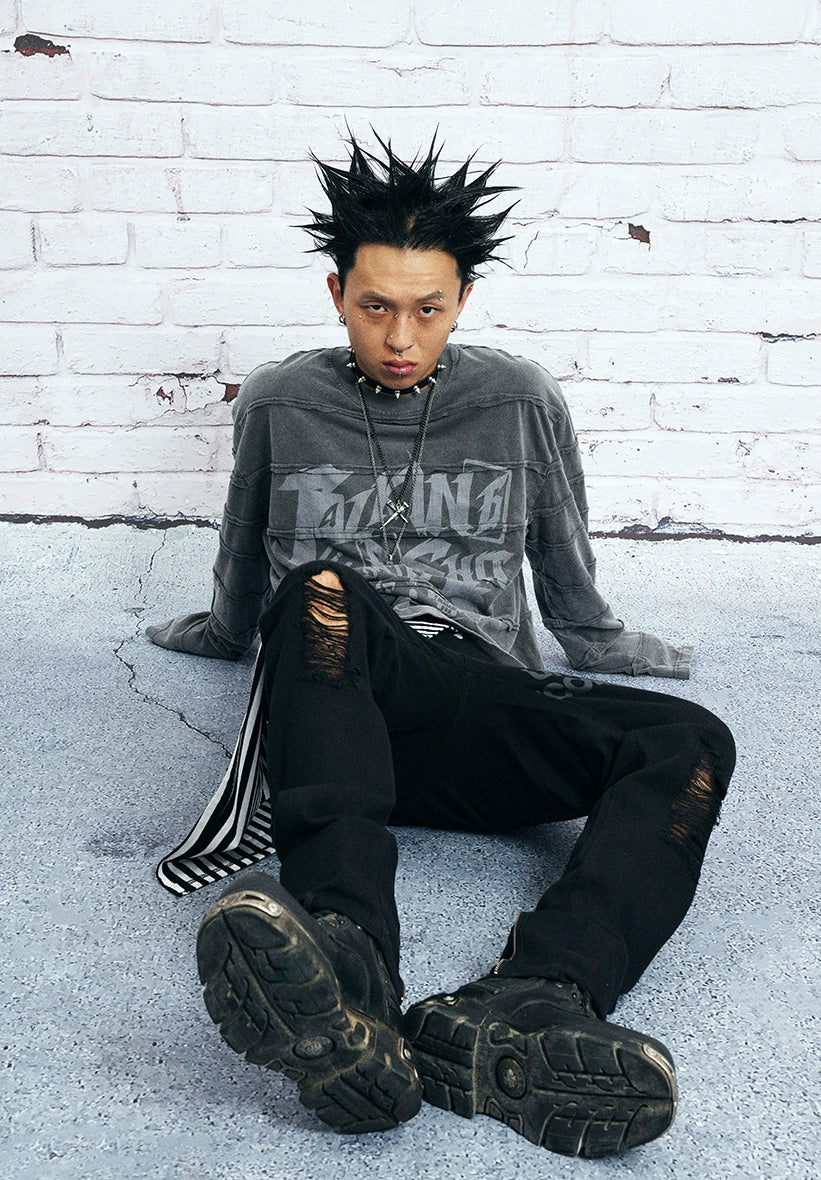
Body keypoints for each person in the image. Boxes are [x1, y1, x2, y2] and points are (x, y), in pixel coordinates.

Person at [146, 135, 736, 1160]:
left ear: (463, 299)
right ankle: (350, 970)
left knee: (692, 742)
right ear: (337, 294)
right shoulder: (282, 399)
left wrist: (610, 643)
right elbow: (242, 552)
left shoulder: (516, 397)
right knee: (320, 593)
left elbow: (561, 558)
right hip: (336, 699)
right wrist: (224, 632)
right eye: (376, 306)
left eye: (427, 308)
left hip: (472, 701)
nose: (400, 335)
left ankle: (533, 1002)